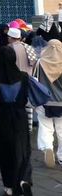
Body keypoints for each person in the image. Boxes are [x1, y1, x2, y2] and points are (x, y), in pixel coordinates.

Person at [0, 47, 42, 196]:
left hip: (1, 117)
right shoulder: (24, 77)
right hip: (20, 116)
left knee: (5, 152)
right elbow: (42, 94)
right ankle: (23, 178)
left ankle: (9, 186)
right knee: (22, 150)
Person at [34, 39, 62, 168]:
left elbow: (34, 80)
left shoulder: (40, 62)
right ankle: (61, 156)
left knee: (45, 127)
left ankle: (48, 148)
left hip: (43, 100)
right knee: (61, 130)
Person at [8, 26, 39, 131]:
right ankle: (28, 127)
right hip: (28, 79)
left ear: (11, 37)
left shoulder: (9, 48)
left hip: (14, 81)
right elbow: (34, 64)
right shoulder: (29, 48)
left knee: (15, 104)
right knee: (28, 105)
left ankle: (17, 127)